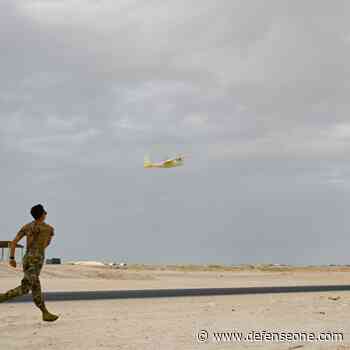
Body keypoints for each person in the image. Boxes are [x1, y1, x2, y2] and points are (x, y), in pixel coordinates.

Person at [0, 204, 59, 322]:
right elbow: (47, 244)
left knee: (34, 286)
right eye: (45, 212)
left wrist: (11, 258)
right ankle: (3, 297)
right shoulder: (49, 229)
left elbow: (14, 242)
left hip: (27, 259)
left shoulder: (27, 226)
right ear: (43, 214)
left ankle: (45, 313)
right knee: (27, 287)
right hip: (36, 260)